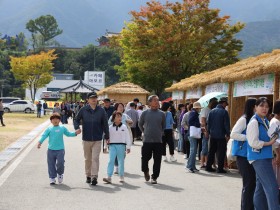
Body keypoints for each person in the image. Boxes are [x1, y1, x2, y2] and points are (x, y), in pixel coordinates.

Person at [247, 97, 280, 210]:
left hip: (264, 156)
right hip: (259, 158)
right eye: (261, 106)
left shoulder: (265, 121)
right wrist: (269, 142)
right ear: (255, 107)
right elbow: (253, 142)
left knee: (260, 188)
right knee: (272, 187)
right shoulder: (254, 122)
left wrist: (274, 140)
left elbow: (271, 139)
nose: (264, 109)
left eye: (267, 106)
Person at [74, 91, 109, 186]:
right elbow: (76, 119)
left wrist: (107, 136)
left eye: (95, 98)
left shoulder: (101, 110)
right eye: (92, 98)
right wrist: (77, 128)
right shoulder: (83, 109)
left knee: (95, 158)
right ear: (88, 100)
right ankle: (88, 175)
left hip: (97, 139)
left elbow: (105, 124)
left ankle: (94, 177)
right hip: (86, 138)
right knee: (88, 159)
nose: (94, 99)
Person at [37, 113, 80, 185]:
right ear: (51, 121)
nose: (55, 120)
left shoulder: (62, 128)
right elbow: (44, 136)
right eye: (53, 119)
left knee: (60, 163)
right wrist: (40, 142)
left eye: (57, 119)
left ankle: (60, 174)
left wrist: (75, 133)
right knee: (51, 164)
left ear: (59, 120)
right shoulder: (49, 129)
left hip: (60, 150)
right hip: (50, 150)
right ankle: (52, 178)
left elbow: (68, 134)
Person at [230, 98, 257, 210]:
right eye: (257, 105)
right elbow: (233, 134)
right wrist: (248, 137)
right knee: (249, 183)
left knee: (252, 183)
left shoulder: (254, 119)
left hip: (251, 155)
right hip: (243, 156)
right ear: (252, 107)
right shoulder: (244, 119)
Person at [138, 95, 165, 184]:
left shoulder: (162, 113)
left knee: (157, 160)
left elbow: (163, 126)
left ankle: (154, 177)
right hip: (147, 140)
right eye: (154, 100)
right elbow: (140, 124)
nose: (156, 102)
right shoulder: (145, 113)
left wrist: (160, 133)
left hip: (158, 141)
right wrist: (144, 132)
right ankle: (145, 171)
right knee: (145, 158)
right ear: (149, 102)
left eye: (157, 100)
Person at [103, 111, 132, 183]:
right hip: (112, 145)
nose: (119, 118)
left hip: (121, 146)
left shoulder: (124, 127)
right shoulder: (110, 127)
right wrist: (105, 146)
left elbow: (127, 137)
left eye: (120, 116)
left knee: (121, 161)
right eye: (117, 116)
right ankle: (109, 176)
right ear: (113, 118)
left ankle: (121, 176)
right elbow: (107, 137)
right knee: (111, 160)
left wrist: (128, 147)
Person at [206, 97, 230, 173]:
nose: (226, 106)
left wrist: (209, 132)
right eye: (226, 104)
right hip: (221, 135)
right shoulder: (224, 112)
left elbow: (208, 124)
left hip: (212, 135)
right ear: (223, 103)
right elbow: (226, 124)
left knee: (211, 151)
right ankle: (220, 168)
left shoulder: (211, 111)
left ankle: (208, 166)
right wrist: (228, 134)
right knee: (221, 152)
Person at [108, 102, 133, 173]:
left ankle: (119, 166)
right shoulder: (112, 116)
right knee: (115, 154)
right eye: (119, 107)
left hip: (123, 137)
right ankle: (116, 166)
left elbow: (132, 122)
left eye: (122, 107)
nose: (121, 108)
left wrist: (129, 121)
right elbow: (109, 124)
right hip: (114, 138)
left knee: (123, 153)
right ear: (116, 107)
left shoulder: (125, 115)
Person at [200, 97, 218, 168]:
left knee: (210, 148)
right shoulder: (205, 110)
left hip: (211, 131)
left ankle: (208, 162)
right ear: (211, 102)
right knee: (205, 147)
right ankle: (202, 163)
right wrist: (205, 131)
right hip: (206, 131)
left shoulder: (212, 110)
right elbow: (203, 121)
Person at [186, 101, 202, 173]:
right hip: (192, 133)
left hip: (191, 133)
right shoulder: (194, 113)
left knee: (193, 150)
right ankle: (189, 166)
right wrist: (199, 124)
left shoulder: (193, 113)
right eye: (199, 108)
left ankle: (192, 166)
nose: (200, 109)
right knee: (193, 150)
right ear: (197, 108)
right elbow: (190, 122)